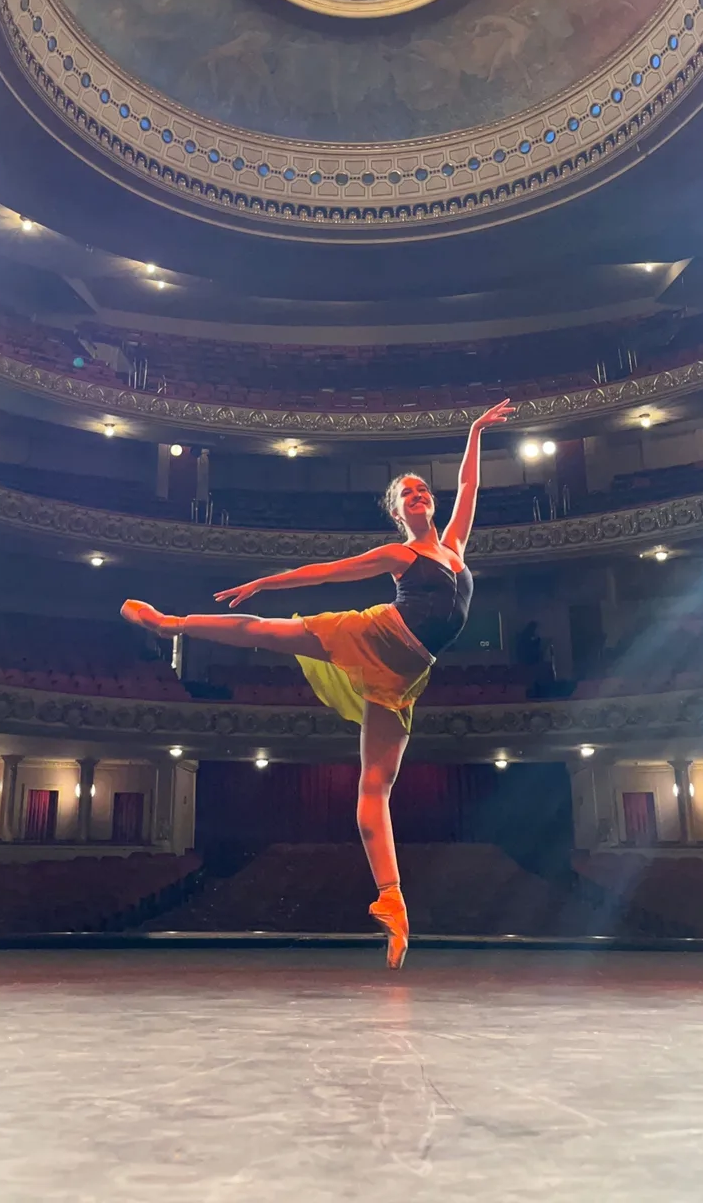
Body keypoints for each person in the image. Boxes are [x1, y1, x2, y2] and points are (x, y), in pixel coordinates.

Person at [121, 398, 514, 968]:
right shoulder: (397, 554)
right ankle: (169, 622)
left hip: (407, 675)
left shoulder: (454, 546)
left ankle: (391, 902)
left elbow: (469, 485)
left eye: (424, 490)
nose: (420, 496)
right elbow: (325, 573)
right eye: (408, 494)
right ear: (399, 512)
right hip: (376, 636)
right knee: (270, 634)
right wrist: (265, 581)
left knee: (375, 787)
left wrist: (475, 431)